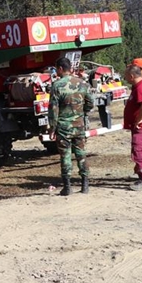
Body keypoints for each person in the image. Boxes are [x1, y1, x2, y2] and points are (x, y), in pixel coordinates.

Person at [48, 57, 95, 196]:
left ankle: (67, 187)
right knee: (81, 153)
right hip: (79, 125)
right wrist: (81, 113)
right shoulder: (82, 84)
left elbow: (53, 111)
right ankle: (85, 185)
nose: (56, 71)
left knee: (65, 155)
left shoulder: (57, 86)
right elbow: (90, 103)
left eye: (57, 69)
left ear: (61, 69)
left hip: (63, 127)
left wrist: (52, 127)